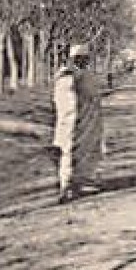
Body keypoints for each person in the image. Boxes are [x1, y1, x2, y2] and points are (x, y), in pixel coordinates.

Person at [53, 43, 105, 203]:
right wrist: (72, 119)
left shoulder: (87, 76)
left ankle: (78, 183)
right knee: (68, 151)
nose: (83, 61)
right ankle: (65, 186)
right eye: (79, 59)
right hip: (71, 122)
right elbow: (66, 102)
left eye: (85, 59)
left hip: (87, 121)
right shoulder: (66, 76)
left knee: (86, 152)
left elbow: (94, 97)